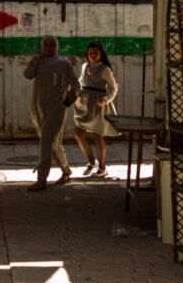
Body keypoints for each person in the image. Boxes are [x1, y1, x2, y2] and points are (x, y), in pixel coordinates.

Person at [23, 35, 79, 191]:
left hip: (57, 108)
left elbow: (76, 84)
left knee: (46, 142)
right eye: (46, 45)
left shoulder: (63, 64)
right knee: (53, 142)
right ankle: (66, 170)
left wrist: (71, 96)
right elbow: (27, 75)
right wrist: (35, 60)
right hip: (39, 107)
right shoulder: (39, 62)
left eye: (51, 45)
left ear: (56, 47)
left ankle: (41, 180)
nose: (48, 47)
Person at [71, 40, 119, 177]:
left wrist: (105, 99)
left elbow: (113, 88)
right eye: (90, 53)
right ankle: (92, 161)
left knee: (98, 136)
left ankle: (103, 168)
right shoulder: (85, 66)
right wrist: (75, 88)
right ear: (87, 54)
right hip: (85, 103)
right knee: (78, 134)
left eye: (96, 53)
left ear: (101, 54)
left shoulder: (105, 69)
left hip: (98, 105)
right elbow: (81, 81)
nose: (93, 55)